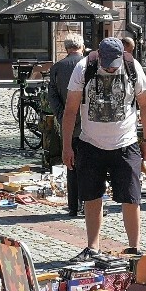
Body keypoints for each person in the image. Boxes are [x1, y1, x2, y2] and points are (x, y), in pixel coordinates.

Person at [62, 38, 146, 259]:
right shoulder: (84, 67)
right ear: (99, 56)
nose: (111, 68)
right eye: (107, 64)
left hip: (126, 143)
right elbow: (71, 110)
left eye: (115, 63)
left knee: (131, 198)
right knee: (92, 197)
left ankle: (134, 248)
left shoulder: (133, 67)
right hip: (91, 143)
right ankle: (93, 248)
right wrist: (66, 146)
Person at [48, 34, 85, 216]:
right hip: (88, 121)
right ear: (82, 46)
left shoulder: (57, 67)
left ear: (66, 48)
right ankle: (87, 204)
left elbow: (52, 97)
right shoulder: (88, 65)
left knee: (70, 162)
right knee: (89, 165)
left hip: (68, 121)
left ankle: (73, 206)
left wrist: (62, 115)